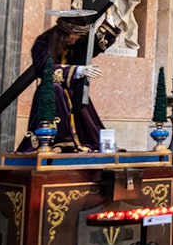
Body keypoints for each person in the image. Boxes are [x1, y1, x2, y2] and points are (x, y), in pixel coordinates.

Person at [17, 16, 119, 153]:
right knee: (56, 89)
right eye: (74, 35)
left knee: (82, 101)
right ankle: (59, 142)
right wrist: (78, 70)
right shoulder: (43, 43)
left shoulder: (74, 44)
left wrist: (108, 27)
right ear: (63, 33)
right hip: (51, 91)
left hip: (71, 91)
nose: (76, 39)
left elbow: (93, 46)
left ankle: (90, 143)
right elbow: (44, 68)